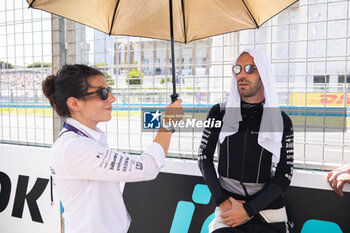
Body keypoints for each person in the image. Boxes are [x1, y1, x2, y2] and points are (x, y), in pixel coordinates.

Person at [42, 64, 183, 233]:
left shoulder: (82, 139)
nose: (112, 98)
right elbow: (147, 167)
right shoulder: (75, 147)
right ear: (74, 103)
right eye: (102, 93)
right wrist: (167, 124)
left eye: (109, 90)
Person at [198, 49, 294, 233]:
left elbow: (285, 174)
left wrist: (248, 210)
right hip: (229, 212)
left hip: (269, 213)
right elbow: (204, 158)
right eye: (237, 69)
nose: (241, 74)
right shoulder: (219, 113)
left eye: (250, 68)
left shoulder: (282, 121)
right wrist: (222, 201)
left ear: (263, 74)